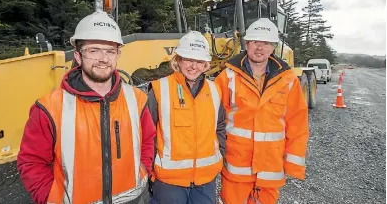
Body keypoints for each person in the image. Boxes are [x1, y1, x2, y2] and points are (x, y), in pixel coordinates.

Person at [17, 11, 156, 204]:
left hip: (133, 199)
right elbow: (32, 161)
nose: (103, 58)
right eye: (94, 50)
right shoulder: (49, 107)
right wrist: (51, 197)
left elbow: (148, 140)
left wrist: (143, 170)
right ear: (78, 56)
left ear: (117, 55)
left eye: (110, 51)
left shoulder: (137, 99)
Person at [215, 18, 309, 203]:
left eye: (266, 43)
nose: (260, 47)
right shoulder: (227, 76)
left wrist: (292, 164)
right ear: (247, 44)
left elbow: (297, 125)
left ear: (273, 46)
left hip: (270, 167)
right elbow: (213, 121)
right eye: (256, 42)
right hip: (236, 166)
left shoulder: (288, 80)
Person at [147, 31, 226, 204]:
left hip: (205, 180)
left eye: (199, 61)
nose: (193, 66)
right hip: (168, 182)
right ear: (179, 60)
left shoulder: (214, 90)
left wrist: (220, 153)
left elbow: (220, 127)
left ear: (206, 64)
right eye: (189, 59)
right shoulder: (160, 89)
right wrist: (149, 168)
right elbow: (147, 133)